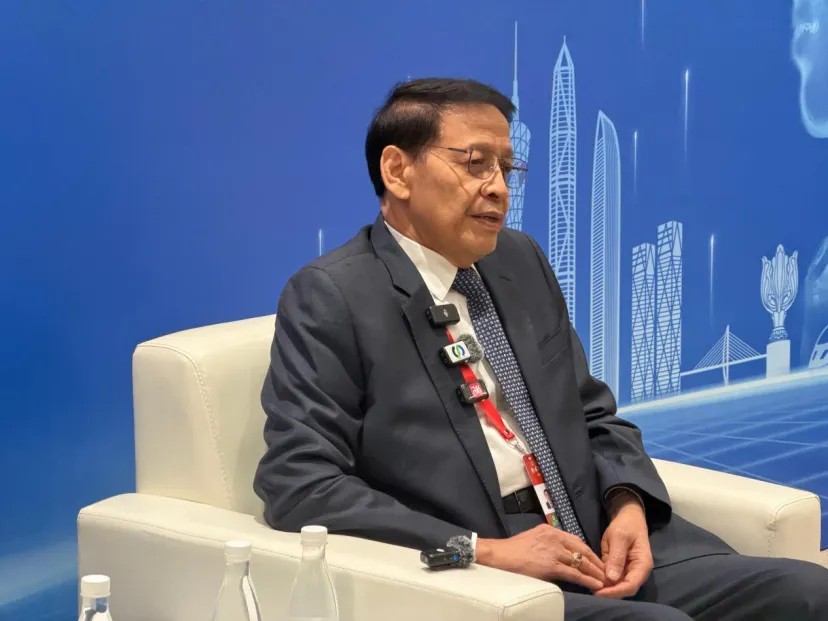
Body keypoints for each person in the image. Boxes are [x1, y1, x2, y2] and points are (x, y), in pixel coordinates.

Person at [253, 78, 828, 619]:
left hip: (596, 540)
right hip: (486, 575)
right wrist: (480, 550)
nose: (499, 188)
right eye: (475, 163)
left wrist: (627, 502)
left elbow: (592, 412)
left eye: (507, 168)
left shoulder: (519, 260)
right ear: (398, 171)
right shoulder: (333, 295)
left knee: (808, 594)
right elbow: (300, 484)